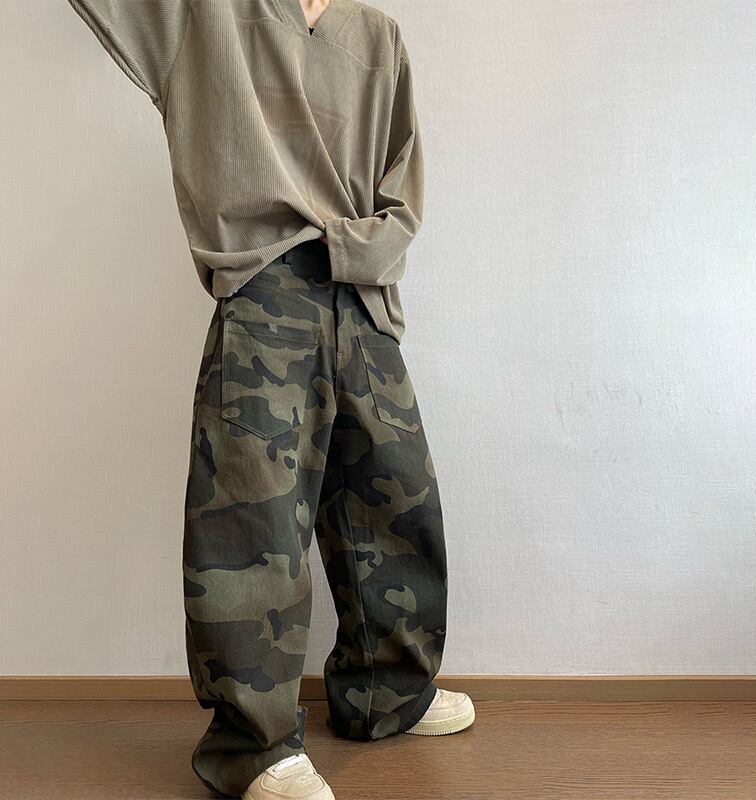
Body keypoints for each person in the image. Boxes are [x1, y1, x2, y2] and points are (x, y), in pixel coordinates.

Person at [64, 1, 474, 797]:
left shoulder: (378, 34)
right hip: (264, 289)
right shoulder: (205, 12)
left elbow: (404, 183)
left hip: (363, 296)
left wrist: (360, 251)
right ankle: (254, 748)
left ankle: (387, 692)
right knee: (253, 516)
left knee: (396, 495)